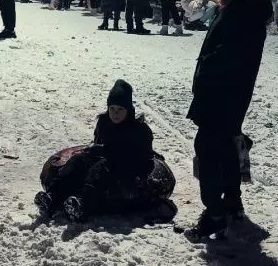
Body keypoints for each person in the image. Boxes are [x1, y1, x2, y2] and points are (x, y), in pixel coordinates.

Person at [186, 0, 275, 238]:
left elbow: (231, 53)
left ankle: (215, 212)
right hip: (230, 90)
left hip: (223, 91)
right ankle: (232, 203)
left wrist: (207, 69)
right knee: (226, 146)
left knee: (209, 147)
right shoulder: (241, 6)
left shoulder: (242, 10)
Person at [35, 80, 175, 222]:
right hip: (106, 159)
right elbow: (99, 144)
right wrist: (94, 151)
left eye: (120, 109)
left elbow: (142, 156)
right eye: (112, 108)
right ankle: (52, 196)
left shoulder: (139, 129)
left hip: (128, 168)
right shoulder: (104, 122)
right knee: (78, 160)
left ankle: (83, 203)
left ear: (128, 110)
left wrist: (108, 151)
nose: (115, 113)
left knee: (101, 168)